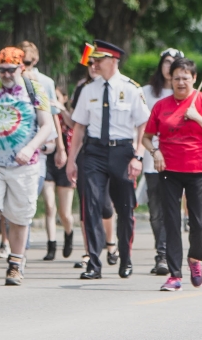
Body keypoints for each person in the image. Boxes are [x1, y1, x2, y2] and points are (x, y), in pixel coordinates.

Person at [0, 46, 58, 287]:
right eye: (1, 70)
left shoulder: (34, 89)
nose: (5, 75)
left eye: (10, 70)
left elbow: (47, 126)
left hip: (23, 166)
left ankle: (15, 265)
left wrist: (30, 148)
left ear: (21, 67)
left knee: (18, 217)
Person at [137, 57, 202, 292]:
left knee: (198, 222)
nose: (180, 82)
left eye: (185, 78)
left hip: (197, 169)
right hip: (169, 170)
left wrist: (197, 117)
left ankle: (195, 259)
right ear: (170, 79)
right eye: (176, 78)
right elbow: (146, 137)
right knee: (171, 221)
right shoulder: (161, 105)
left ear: (194, 79)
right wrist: (155, 151)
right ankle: (174, 274)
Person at [64, 40, 150, 280]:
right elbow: (80, 126)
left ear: (113, 61)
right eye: (94, 60)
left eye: (99, 60)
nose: (94, 64)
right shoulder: (89, 89)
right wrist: (72, 160)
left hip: (122, 151)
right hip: (93, 152)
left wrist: (138, 156)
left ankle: (126, 257)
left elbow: (144, 123)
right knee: (90, 205)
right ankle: (93, 262)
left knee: (125, 208)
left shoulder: (131, 88)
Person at [19, 41, 74, 263]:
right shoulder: (13, 81)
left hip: (49, 144)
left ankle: (68, 233)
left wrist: (60, 147)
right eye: (22, 63)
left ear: (36, 61)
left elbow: (52, 117)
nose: (26, 67)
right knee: (48, 203)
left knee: (64, 211)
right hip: (28, 149)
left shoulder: (46, 82)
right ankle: (49, 244)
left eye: (29, 62)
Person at [139, 48, 184, 276]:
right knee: (156, 212)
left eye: (175, 63)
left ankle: (165, 255)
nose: (170, 66)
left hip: (176, 160)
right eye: (167, 62)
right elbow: (138, 126)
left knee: (171, 209)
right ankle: (161, 251)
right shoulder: (147, 92)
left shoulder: (184, 94)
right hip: (151, 160)